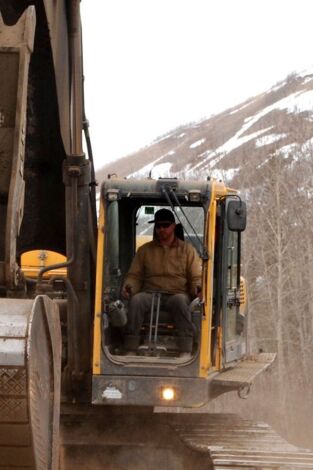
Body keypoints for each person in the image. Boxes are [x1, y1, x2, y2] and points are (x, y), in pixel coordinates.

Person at [121, 208, 202, 356]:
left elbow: (196, 276)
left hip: (176, 294)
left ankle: (185, 349)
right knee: (137, 301)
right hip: (150, 294)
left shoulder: (187, 251)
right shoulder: (144, 251)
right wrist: (129, 288)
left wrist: (198, 289)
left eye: (165, 225)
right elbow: (135, 275)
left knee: (180, 302)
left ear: (173, 226)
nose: (161, 229)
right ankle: (131, 347)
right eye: (158, 226)